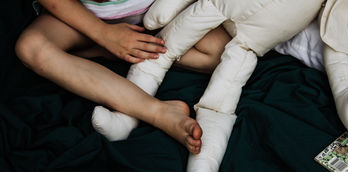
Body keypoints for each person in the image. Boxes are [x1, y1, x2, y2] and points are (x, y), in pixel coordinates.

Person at [14, 0, 231, 154]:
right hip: (81, 18)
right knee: (32, 46)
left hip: (155, 12)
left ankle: (123, 48)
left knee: (223, 53)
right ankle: (159, 112)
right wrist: (103, 34)